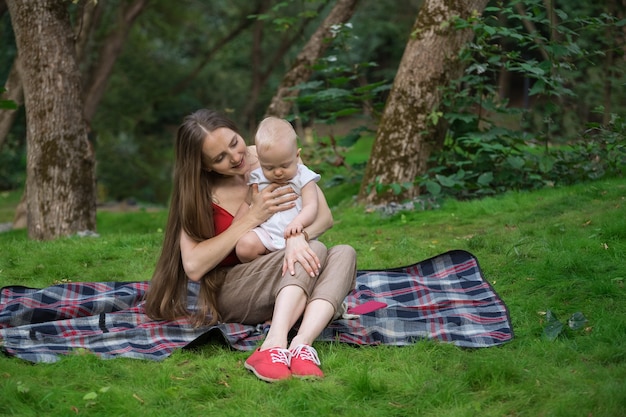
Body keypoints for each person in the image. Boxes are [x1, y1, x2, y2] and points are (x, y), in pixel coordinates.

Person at [144, 109, 357, 382]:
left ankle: (301, 345)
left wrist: (295, 238)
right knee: (314, 251)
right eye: (220, 158)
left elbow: (324, 217)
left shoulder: (270, 155)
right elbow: (194, 267)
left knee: (344, 253)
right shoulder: (197, 192)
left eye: (234, 143)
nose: (235, 157)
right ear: (205, 165)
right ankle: (272, 345)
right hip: (233, 288)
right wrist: (252, 218)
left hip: (284, 272)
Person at [235, 117, 321, 263]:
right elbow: (246, 203)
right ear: (260, 161)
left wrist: (298, 223)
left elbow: (311, 205)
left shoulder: (303, 177)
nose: (278, 172)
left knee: (312, 254)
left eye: (285, 166)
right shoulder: (257, 178)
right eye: (269, 167)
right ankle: (271, 265)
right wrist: (236, 226)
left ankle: (285, 262)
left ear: (297, 156)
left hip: (296, 234)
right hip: (266, 235)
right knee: (243, 248)